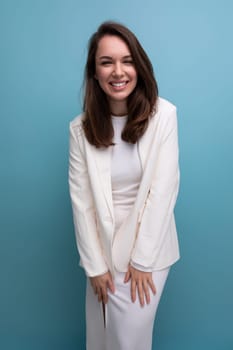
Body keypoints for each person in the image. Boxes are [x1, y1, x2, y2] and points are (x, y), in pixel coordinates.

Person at [69, 21, 180, 350]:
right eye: (106, 62)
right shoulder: (80, 129)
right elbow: (81, 201)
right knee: (101, 340)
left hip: (148, 253)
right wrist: (94, 265)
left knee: (127, 342)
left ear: (139, 66)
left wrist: (143, 261)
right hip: (101, 252)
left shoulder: (164, 116)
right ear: (95, 73)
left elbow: (163, 190)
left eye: (127, 60)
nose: (118, 71)